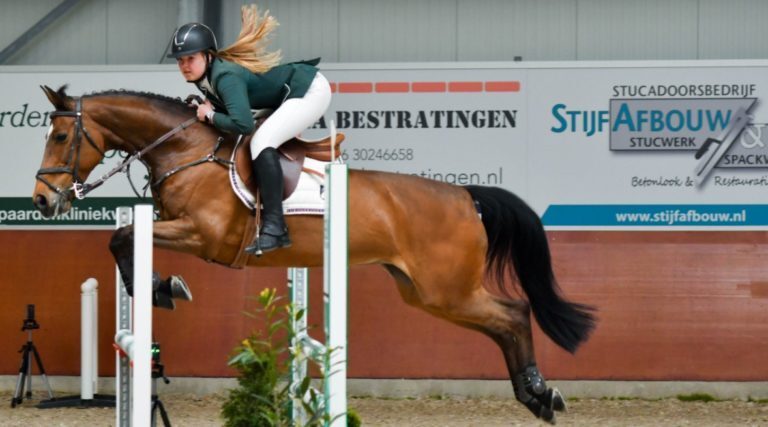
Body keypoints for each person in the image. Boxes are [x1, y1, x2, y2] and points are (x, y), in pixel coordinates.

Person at [167, 5, 332, 254]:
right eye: (180, 61)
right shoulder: (205, 78)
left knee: (261, 142)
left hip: (309, 90)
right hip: (290, 94)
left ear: (208, 56)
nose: (184, 66)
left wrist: (211, 115)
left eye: (190, 58)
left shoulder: (224, 76)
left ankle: (276, 228)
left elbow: (243, 125)